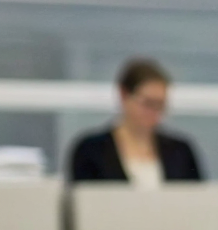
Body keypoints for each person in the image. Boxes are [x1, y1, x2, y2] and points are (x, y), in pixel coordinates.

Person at [68, 58, 203, 187]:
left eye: (160, 104)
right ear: (124, 95)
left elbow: (197, 196)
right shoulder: (92, 150)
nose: (154, 111)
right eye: (148, 103)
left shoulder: (180, 151)